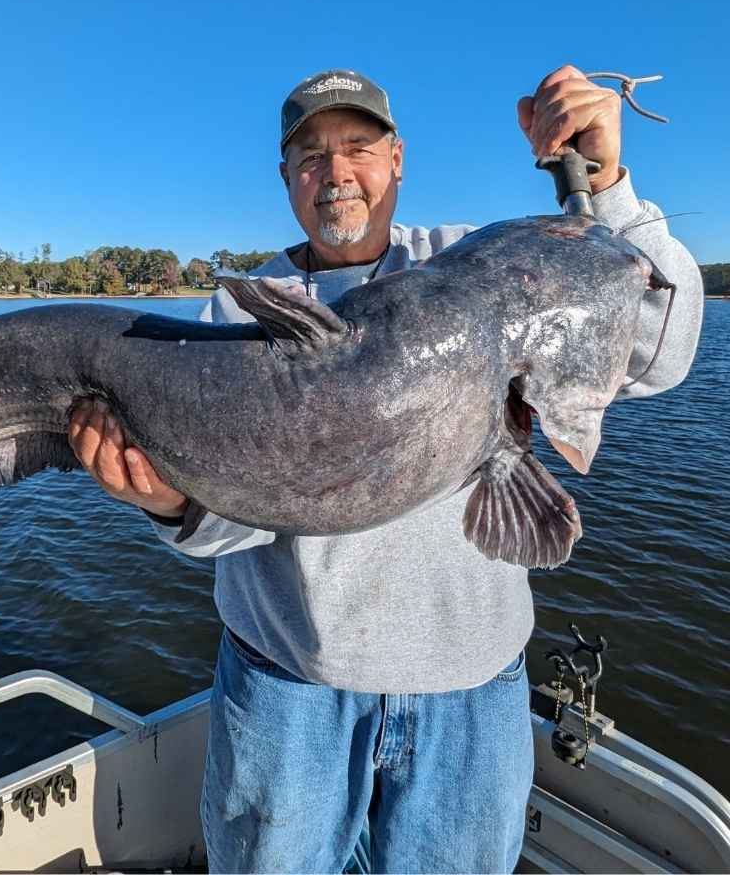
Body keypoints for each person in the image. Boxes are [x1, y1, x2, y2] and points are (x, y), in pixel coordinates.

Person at [67, 66, 703, 873]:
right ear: (286, 178)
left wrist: (606, 185)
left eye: (358, 148)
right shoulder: (241, 313)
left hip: (471, 693)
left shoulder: (476, 262)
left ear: (397, 159)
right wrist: (169, 505)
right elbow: (237, 519)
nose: (335, 173)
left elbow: (660, 349)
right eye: (310, 156)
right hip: (289, 690)